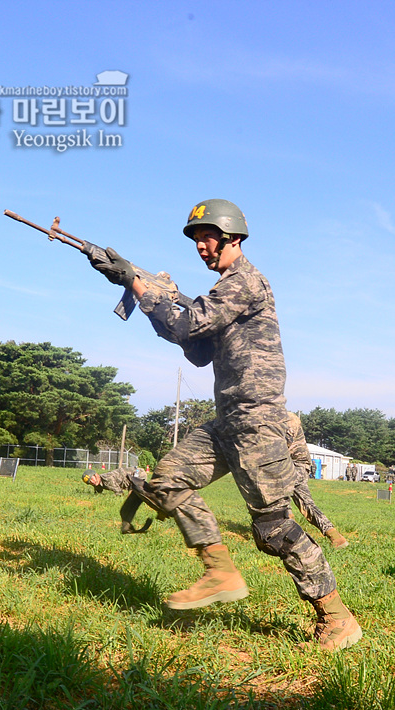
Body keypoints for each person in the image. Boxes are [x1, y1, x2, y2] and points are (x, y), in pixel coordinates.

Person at [88, 199, 360, 650]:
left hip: (257, 421)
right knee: (167, 480)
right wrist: (152, 290)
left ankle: (336, 617)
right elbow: (196, 350)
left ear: (233, 236)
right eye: (196, 240)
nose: (201, 248)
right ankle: (220, 571)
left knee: (273, 527)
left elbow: (192, 324)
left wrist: (139, 283)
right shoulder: (222, 292)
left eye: (208, 238)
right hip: (228, 421)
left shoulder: (246, 282)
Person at [284, 411, 349, 549]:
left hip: (297, 464)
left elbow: (282, 446)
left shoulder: (288, 420)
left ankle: (288, 532)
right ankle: (334, 535)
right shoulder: (282, 418)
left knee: (282, 496)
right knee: (305, 503)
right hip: (293, 464)